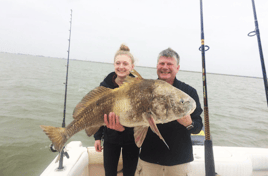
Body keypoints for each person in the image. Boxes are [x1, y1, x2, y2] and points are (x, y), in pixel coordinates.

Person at [135, 48, 203, 176]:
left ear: (177, 67)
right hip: (149, 160)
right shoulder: (144, 89)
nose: (165, 67)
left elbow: (197, 127)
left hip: (179, 162)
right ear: (157, 66)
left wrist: (189, 123)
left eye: (169, 64)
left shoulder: (189, 93)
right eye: (162, 63)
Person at [93, 44, 140, 176]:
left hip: (132, 140)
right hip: (110, 138)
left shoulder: (138, 87)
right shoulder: (104, 86)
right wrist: (97, 137)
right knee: (109, 172)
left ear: (132, 67)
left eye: (125, 63)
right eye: (118, 63)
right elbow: (98, 113)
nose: (121, 67)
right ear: (114, 65)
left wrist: (124, 130)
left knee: (130, 173)